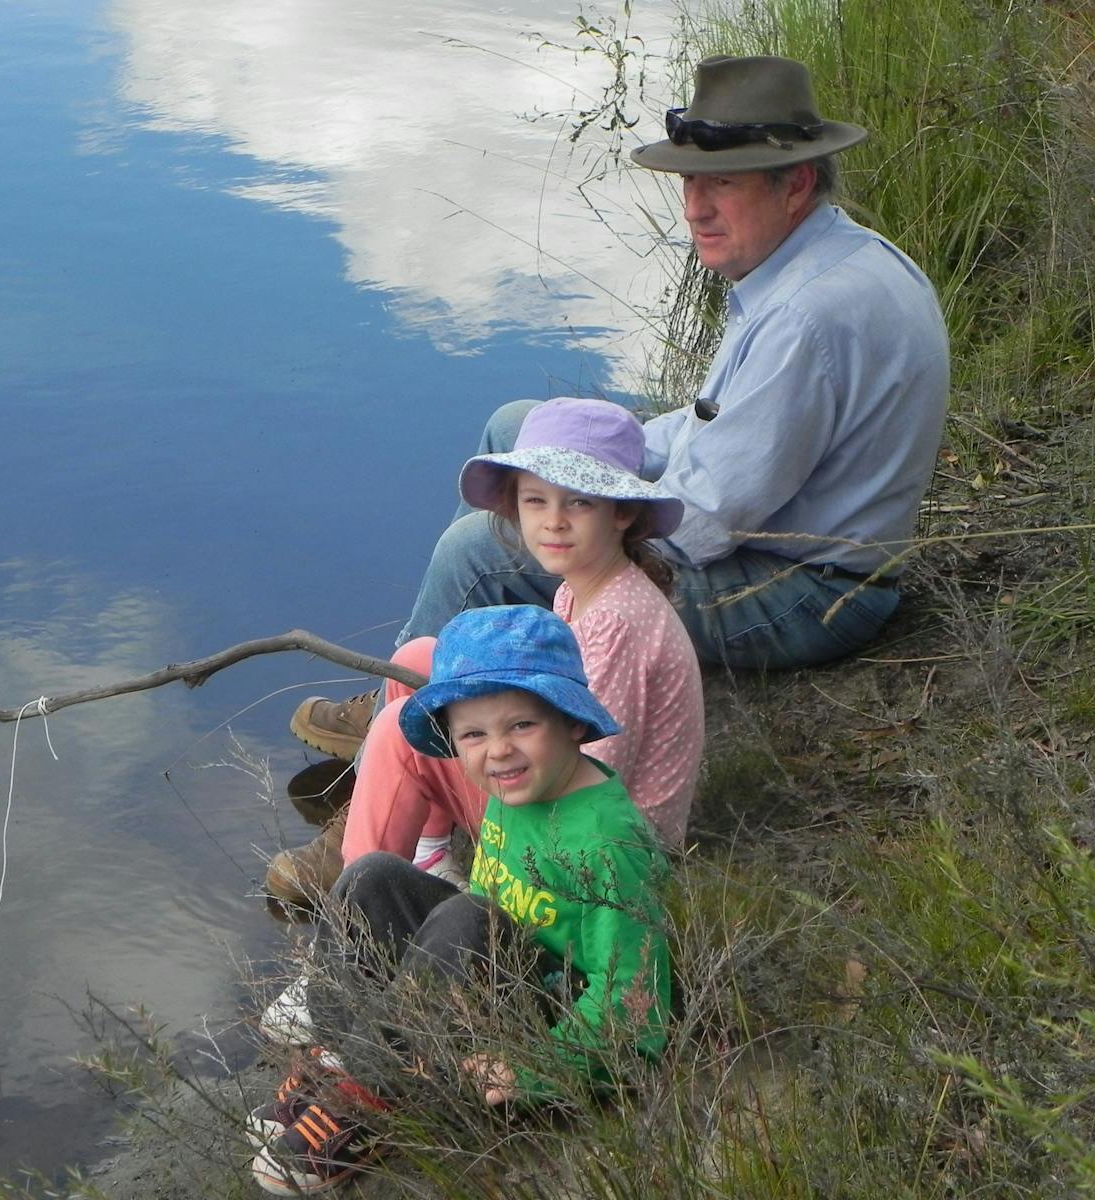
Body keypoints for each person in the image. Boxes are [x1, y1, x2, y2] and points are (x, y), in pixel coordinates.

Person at [290, 53, 950, 755]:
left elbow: (702, 523)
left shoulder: (805, 316)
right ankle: (435, 679)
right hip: (782, 539)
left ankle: (396, 750)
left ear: (797, 185)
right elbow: (710, 428)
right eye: (690, 184)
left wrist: (585, 516)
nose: (696, 208)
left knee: (481, 554)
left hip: (810, 595)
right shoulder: (828, 257)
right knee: (517, 428)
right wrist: (593, 457)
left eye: (722, 185)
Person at [250, 605, 672, 1194]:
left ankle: (376, 1097)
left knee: (469, 914)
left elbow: (636, 999)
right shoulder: (519, 786)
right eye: (474, 734)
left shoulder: (604, 843)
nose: (497, 751)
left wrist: (538, 1070)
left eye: (521, 725)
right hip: (496, 980)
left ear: (573, 722)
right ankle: (342, 1058)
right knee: (374, 875)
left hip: (553, 1019)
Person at [266, 399, 704, 905]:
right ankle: (428, 856)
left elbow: (596, 771)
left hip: (603, 849)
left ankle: (358, 920)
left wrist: (473, 732)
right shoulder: (581, 587)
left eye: (578, 503)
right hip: (577, 810)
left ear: (622, 511)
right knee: (421, 660)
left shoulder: (613, 622)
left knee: (398, 728)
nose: (554, 522)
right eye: (536, 501)